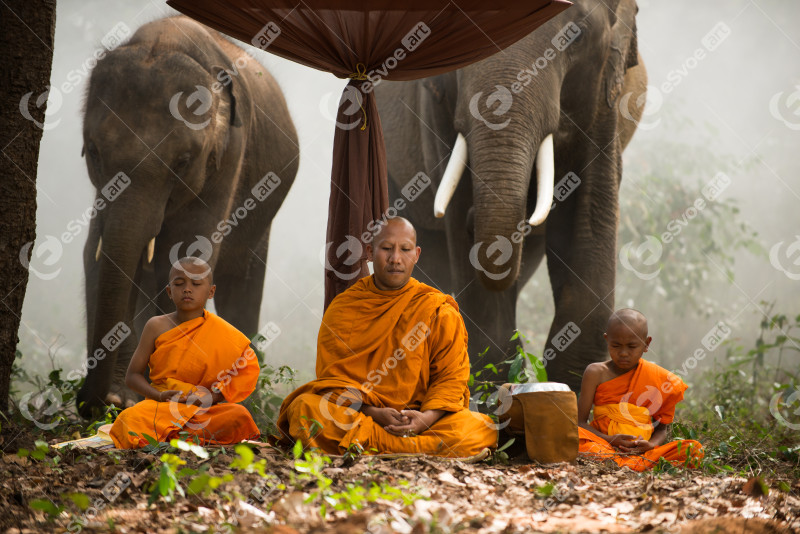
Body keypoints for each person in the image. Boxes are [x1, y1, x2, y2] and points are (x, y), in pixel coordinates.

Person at [275, 217, 497, 457]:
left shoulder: (436, 309)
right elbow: (333, 381)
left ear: (417, 254)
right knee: (305, 410)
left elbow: (451, 379)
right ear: (370, 252)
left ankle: (375, 446)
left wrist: (425, 419)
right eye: (387, 249)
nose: (395, 259)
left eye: (405, 249)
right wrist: (373, 412)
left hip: (421, 420)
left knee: (482, 427)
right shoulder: (346, 307)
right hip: (362, 415)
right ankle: (413, 449)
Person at [109, 257, 260, 449]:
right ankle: (184, 436)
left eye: (196, 284)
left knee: (239, 415)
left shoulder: (222, 331)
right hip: (161, 407)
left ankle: (173, 436)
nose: (187, 289)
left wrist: (211, 399)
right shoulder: (156, 326)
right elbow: (132, 376)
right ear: (170, 292)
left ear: (211, 291)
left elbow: (244, 367)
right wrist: (159, 396)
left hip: (202, 410)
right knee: (128, 419)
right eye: (179, 284)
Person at [577, 309, 704, 471]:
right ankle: (631, 465)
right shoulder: (596, 372)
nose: (623, 353)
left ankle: (624, 464)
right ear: (606, 340)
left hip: (641, 452)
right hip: (602, 445)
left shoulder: (659, 378)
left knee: (693, 449)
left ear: (646, 344)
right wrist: (610, 439)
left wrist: (650, 445)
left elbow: (662, 429)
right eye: (616, 345)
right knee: (577, 440)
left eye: (632, 346)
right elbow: (580, 423)